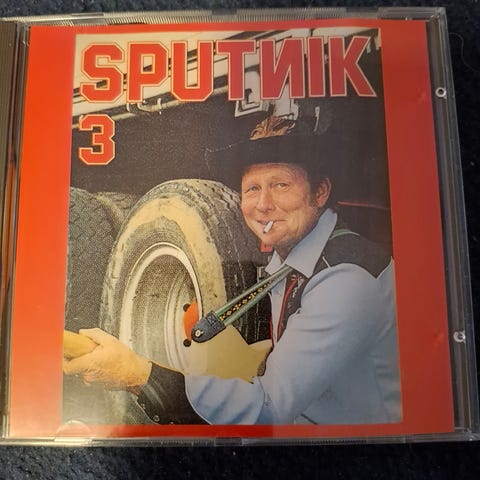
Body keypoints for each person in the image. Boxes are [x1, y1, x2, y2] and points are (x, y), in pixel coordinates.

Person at [63, 134, 401, 425]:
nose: (263, 205)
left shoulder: (345, 281)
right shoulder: (296, 260)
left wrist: (137, 374)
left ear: (320, 191)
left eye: (280, 185)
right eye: (252, 189)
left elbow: (267, 410)